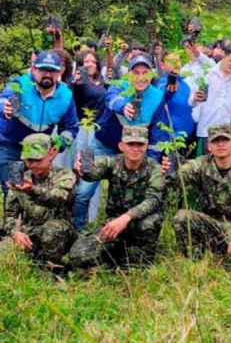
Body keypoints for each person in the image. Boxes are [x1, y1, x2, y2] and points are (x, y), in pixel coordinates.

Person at [74, 55, 163, 230]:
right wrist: (123, 106)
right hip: (103, 145)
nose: (140, 77)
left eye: (145, 73)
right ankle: (79, 230)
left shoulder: (157, 96)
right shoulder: (119, 86)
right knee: (84, 191)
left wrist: (152, 158)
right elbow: (111, 98)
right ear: (128, 74)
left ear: (151, 75)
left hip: (133, 153)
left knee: (133, 197)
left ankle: (125, 233)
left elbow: (158, 130)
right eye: (135, 72)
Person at [69, 126, 164, 268]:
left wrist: (126, 218)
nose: (135, 148)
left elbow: (153, 200)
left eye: (140, 144)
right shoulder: (112, 163)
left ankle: (143, 259)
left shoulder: (154, 169)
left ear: (146, 147)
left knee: (150, 223)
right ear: (121, 146)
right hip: (114, 223)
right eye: (130, 144)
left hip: (139, 223)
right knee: (78, 255)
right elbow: (91, 174)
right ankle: (116, 252)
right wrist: (81, 169)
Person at [171, 124, 231, 260]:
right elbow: (178, 178)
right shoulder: (201, 165)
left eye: (225, 140)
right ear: (209, 146)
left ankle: (222, 255)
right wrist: (172, 170)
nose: (221, 144)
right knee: (182, 217)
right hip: (210, 225)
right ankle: (194, 260)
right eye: (215, 141)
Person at [0, 50, 79, 193]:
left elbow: (71, 127)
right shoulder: (20, 84)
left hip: (39, 150)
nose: (48, 74)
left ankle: (29, 215)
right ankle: (11, 215)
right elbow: (5, 98)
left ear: (60, 72)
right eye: (43, 69)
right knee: (14, 188)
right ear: (33, 69)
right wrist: (5, 107)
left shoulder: (66, 96)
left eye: (52, 70)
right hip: (13, 146)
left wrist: (58, 145)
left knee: (36, 191)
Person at [3, 134, 77, 268]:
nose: (34, 165)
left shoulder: (65, 175)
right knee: (4, 252)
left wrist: (32, 190)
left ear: (52, 154)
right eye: (30, 161)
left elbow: (59, 198)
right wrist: (15, 233)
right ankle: (33, 260)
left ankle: (53, 268)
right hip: (30, 231)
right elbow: (9, 215)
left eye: (38, 160)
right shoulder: (21, 179)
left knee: (52, 229)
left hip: (60, 233)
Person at [190, 44, 231, 155]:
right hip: (206, 130)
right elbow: (190, 101)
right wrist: (195, 98)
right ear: (224, 56)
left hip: (227, 132)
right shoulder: (208, 73)